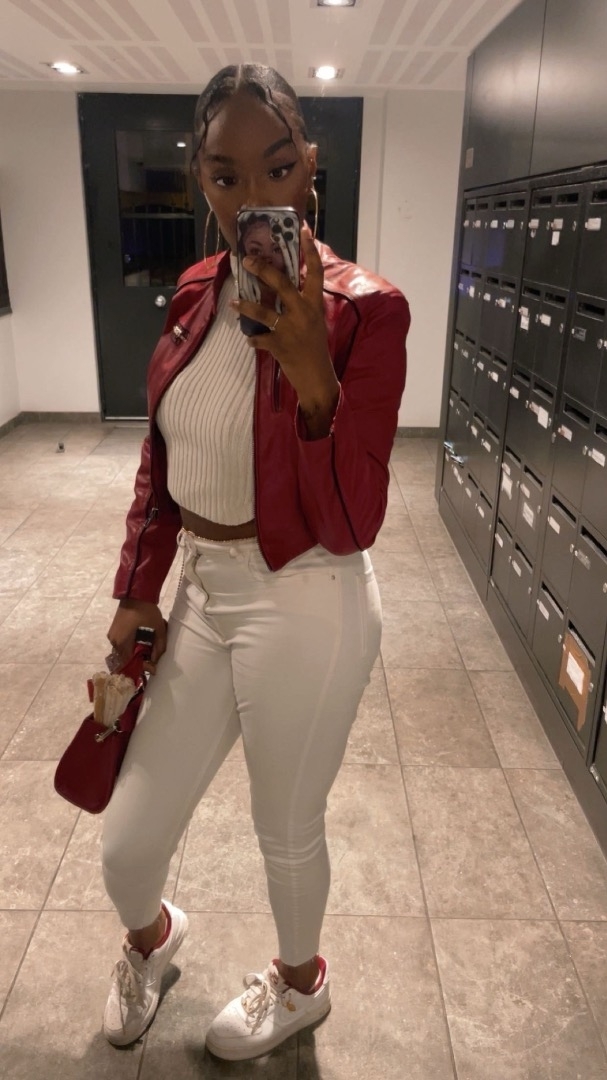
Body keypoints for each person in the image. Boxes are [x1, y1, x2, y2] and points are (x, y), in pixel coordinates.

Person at [101, 63, 410, 1062]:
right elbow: (162, 456)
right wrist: (136, 590)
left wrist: (313, 372)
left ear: (309, 165)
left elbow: (354, 518)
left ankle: (301, 982)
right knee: (125, 845)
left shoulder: (369, 309)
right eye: (225, 175)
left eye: (276, 168)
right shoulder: (195, 292)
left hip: (309, 592)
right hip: (202, 588)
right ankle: (154, 939)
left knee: (286, 824)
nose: (251, 199)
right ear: (200, 176)